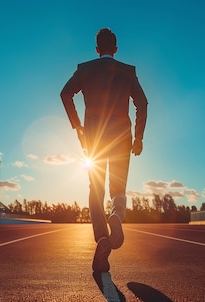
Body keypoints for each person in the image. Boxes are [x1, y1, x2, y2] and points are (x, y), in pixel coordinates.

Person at [61, 28, 148, 272]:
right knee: (118, 188)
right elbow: (142, 103)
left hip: (94, 138)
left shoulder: (84, 69)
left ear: (97, 49)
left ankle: (101, 237)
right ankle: (116, 217)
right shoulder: (128, 71)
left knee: (95, 188)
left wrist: (77, 126)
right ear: (116, 49)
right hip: (121, 137)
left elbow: (65, 94)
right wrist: (139, 137)